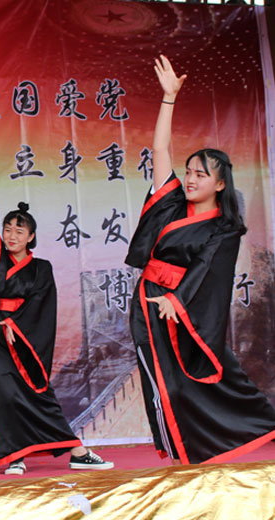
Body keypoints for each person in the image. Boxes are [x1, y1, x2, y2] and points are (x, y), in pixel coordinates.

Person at [125, 55, 275, 464]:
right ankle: (179, 455)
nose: (190, 179)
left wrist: (176, 300)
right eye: (189, 171)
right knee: (161, 381)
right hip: (149, 301)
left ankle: (260, 424)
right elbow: (160, 148)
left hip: (184, 306)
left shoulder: (224, 228)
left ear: (220, 183)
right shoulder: (172, 203)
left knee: (206, 376)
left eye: (201, 174)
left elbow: (206, 267)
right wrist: (168, 98)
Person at [0, 155, 113, 475]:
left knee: (38, 392)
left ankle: (77, 451)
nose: (11, 235)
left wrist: (17, 325)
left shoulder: (41, 268)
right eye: (8, 229)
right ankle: (15, 456)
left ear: (31, 237)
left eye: (19, 230)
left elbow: (42, 307)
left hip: (24, 336)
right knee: (3, 394)